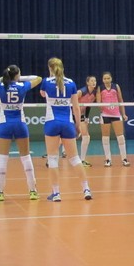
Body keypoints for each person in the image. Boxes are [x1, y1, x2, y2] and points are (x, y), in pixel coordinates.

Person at [0, 66, 41, 201]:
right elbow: (38, 79)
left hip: (5, 124)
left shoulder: (0, 85)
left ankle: (0, 192)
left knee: (2, 158)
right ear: (18, 75)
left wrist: (1, 79)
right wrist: (21, 78)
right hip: (20, 124)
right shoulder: (22, 86)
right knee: (26, 157)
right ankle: (32, 190)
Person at [40, 58, 92, 202]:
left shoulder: (46, 81)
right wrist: (77, 125)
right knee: (74, 158)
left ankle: (56, 193)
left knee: (52, 158)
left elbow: (43, 94)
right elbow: (76, 107)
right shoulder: (72, 83)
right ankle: (86, 189)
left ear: (50, 68)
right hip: (67, 123)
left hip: (52, 122)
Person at [96, 72, 130, 167]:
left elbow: (120, 100)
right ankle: (108, 159)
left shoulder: (116, 86)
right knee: (105, 138)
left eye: (108, 78)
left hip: (116, 114)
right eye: (104, 79)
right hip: (105, 115)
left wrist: (123, 113)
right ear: (102, 80)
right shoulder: (100, 88)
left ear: (111, 79)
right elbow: (98, 102)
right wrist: (102, 108)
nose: (106, 80)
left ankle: (124, 159)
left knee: (120, 137)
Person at [77, 75, 98, 167]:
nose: (94, 82)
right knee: (84, 136)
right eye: (92, 81)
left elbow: (88, 105)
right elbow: (70, 102)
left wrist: (86, 117)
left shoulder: (94, 94)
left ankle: (82, 160)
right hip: (73, 114)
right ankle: (50, 157)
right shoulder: (81, 92)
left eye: (95, 81)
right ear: (87, 82)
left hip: (81, 115)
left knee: (85, 137)